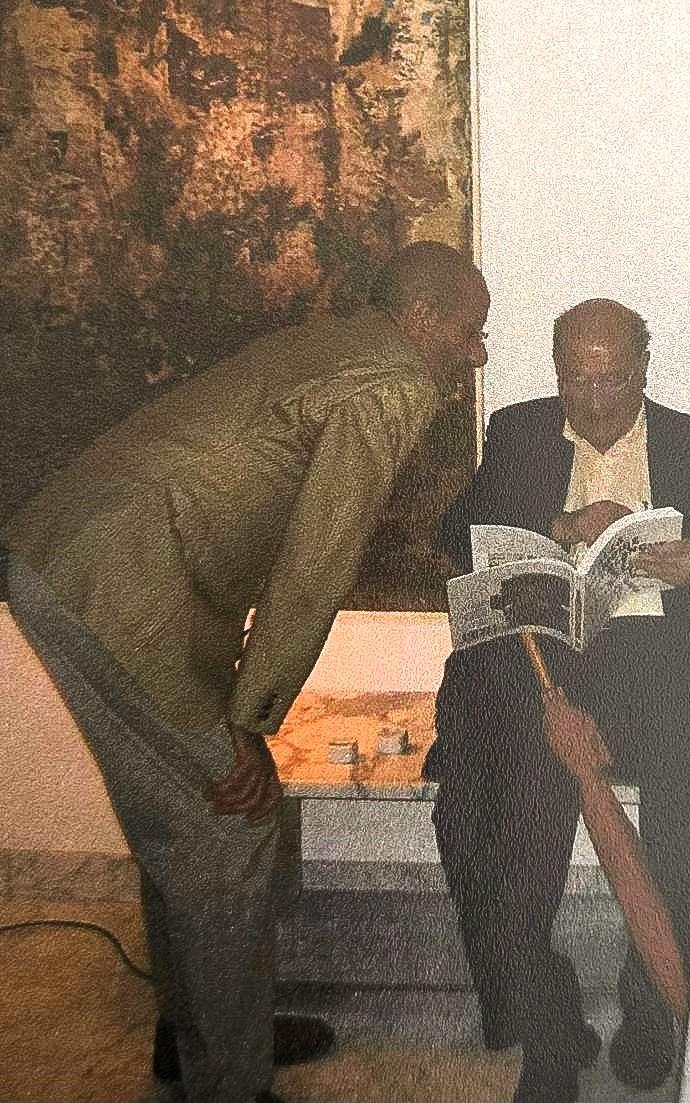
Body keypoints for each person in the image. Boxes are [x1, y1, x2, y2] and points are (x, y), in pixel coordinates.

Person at [2, 242, 489, 1103]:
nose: (476, 352)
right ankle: (228, 1079)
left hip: (75, 561)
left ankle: (200, 1035)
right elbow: (316, 563)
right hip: (119, 587)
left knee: (186, 825)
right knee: (232, 824)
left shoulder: (342, 344)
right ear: (422, 316)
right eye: (469, 328)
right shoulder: (391, 381)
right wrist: (249, 723)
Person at [427, 298, 690, 1103]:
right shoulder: (518, 432)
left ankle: (656, 1000)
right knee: (491, 814)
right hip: (547, 660)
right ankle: (547, 1026)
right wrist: (557, 526)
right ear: (556, 372)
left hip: (671, 663)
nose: (593, 401)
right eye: (575, 379)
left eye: (612, 379)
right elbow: (458, 534)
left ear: (643, 368)